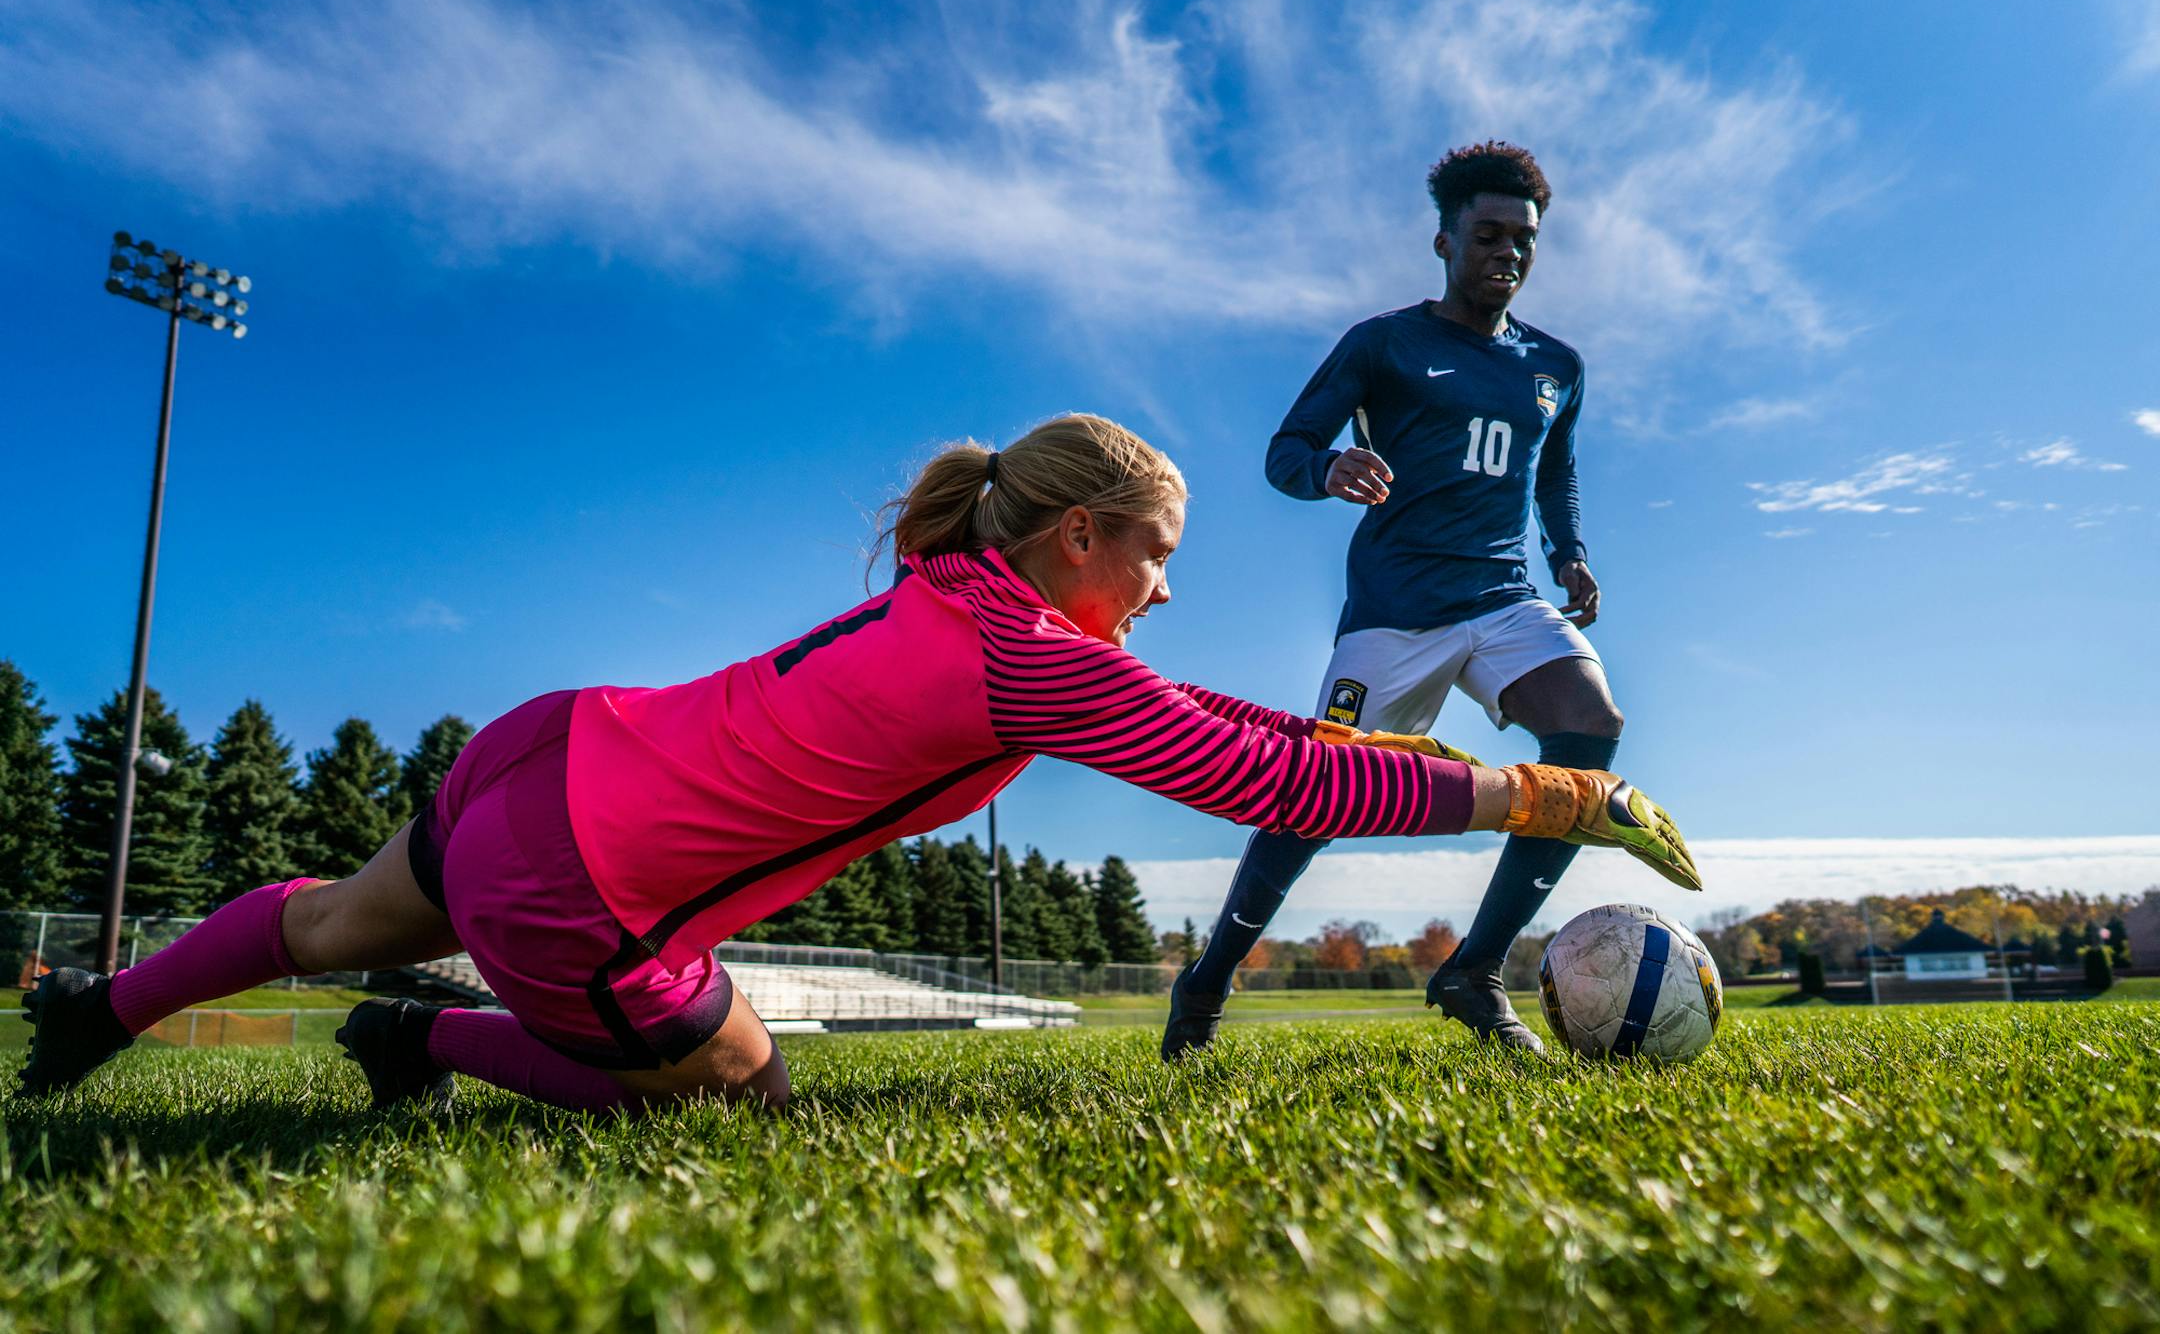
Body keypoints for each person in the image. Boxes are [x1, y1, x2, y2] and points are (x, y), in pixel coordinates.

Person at [20, 413, 1692, 1114]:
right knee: (742, 1084)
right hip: (581, 890)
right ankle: (433, 1037)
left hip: (541, 749)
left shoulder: (960, 594)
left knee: (317, 920)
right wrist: (1546, 789)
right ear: (1091, 537)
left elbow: (1267, 736)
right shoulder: (1033, 667)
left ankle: (95, 1010)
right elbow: (1283, 784)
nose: (1168, 589)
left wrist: (1453, 763)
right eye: (1159, 557)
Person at [1165, 141, 1654, 1060]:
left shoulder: (1557, 365)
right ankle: (1209, 979)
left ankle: (1474, 970)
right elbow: (1287, 449)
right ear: (1444, 241)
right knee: (1311, 797)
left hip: (1504, 598)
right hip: (1393, 611)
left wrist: (1572, 554)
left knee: (1591, 730)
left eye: (1524, 238)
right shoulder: (1385, 342)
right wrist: (1328, 465)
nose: (1507, 251)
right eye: (1487, 234)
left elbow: (1558, 476)